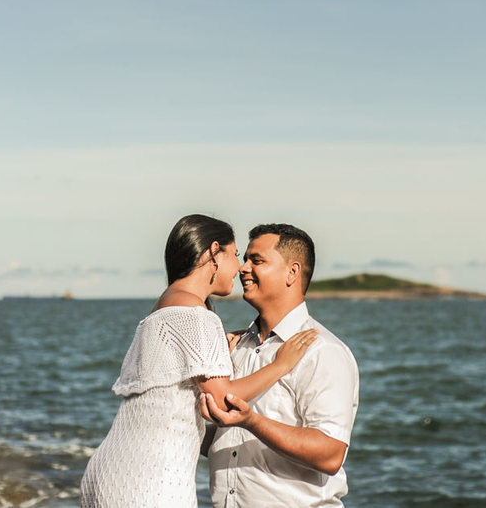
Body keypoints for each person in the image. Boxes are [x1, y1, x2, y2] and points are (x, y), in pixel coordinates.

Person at [80, 214, 318, 508]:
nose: (240, 268)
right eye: (234, 255)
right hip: (149, 480)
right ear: (213, 253)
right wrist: (280, 364)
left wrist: (218, 354)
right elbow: (221, 400)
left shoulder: (166, 305)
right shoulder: (196, 315)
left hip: (114, 471)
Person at [203, 223, 360, 507]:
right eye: (245, 258)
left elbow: (330, 453)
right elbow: (227, 434)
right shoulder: (235, 346)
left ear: (292, 272)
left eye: (257, 260)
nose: (242, 268)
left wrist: (252, 422)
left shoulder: (323, 351)